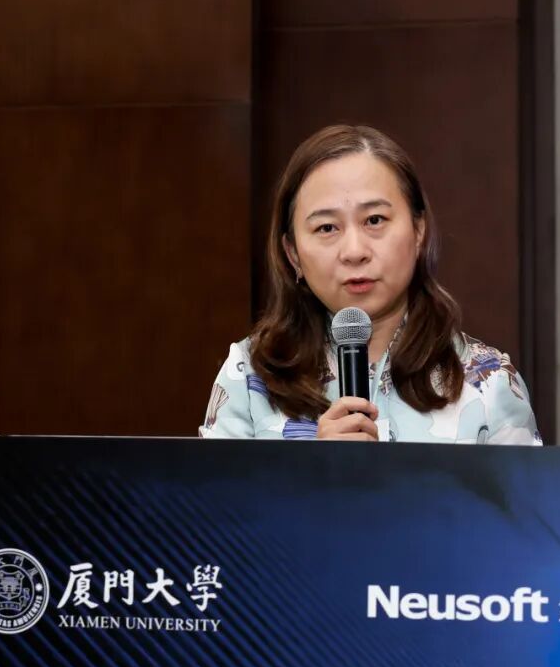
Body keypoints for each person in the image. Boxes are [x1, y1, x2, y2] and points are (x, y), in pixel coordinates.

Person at [200, 124, 541, 444]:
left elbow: (525, 491)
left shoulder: (487, 380)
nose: (354, 251)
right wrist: (311, 472)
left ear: (418, 231)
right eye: (326, 228)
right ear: (292, 253)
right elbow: (211, 492)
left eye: (375, 220)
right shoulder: (249, 376)